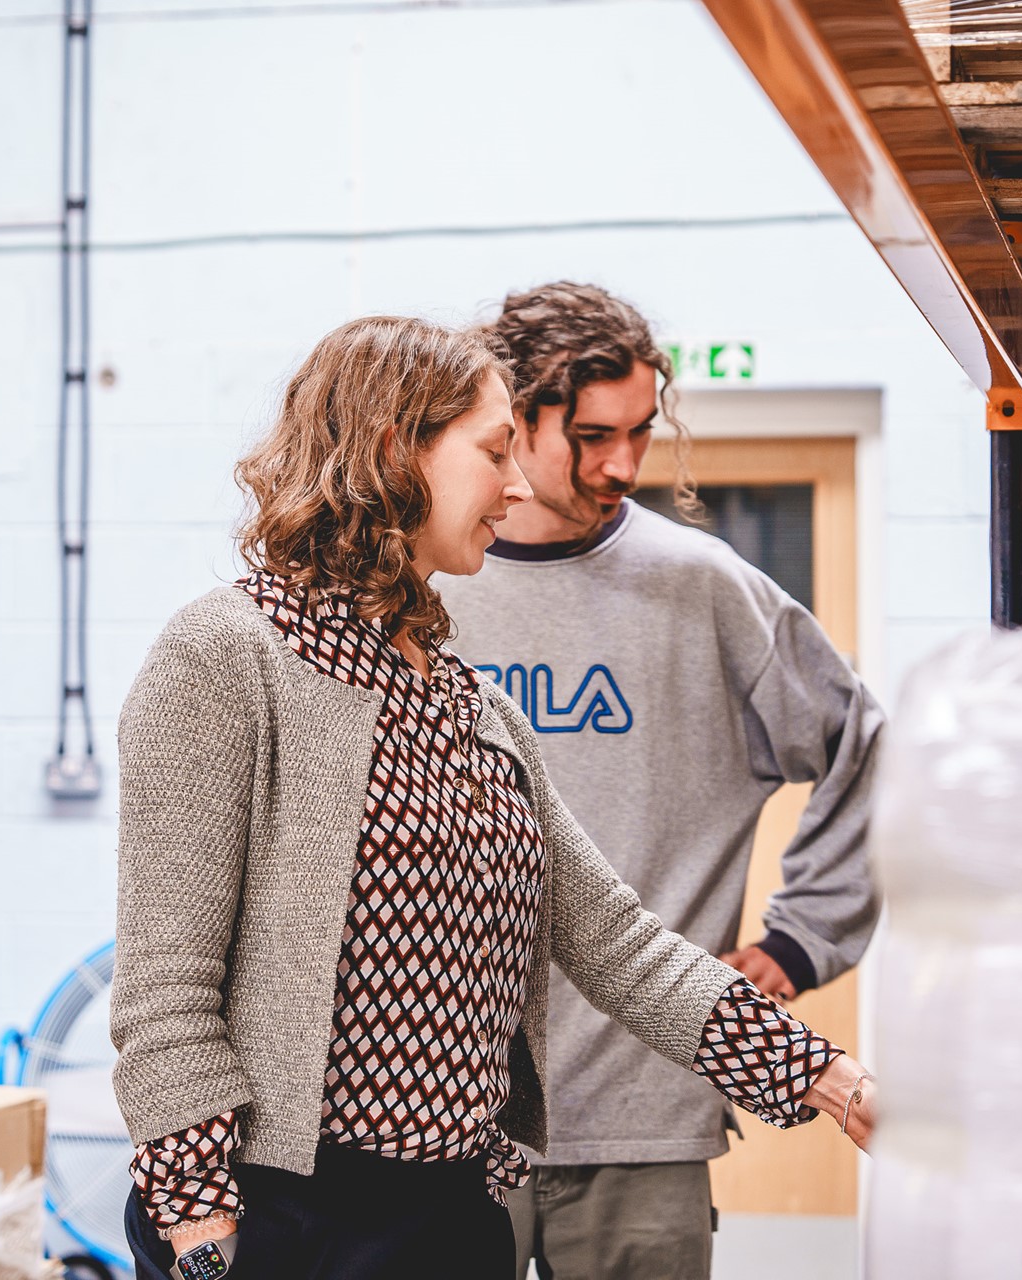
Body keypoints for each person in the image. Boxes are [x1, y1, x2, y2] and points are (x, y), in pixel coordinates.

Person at [110, 315, 878, 1280]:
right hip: (286, 1220)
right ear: (396, 451)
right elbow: (165, 994)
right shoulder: (226, 657)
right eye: (492, 451)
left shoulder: (470, 704)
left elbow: (620, 946)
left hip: (450, 1214)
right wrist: (201, 1238)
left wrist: (831, 1080)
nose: (517, 486)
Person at [437, 283, 885, 1280]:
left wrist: (800, 939)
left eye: (641, 432)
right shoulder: (427, 585)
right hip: (447, 1119)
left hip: (649, 1109)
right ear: (513, 414)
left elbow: (867, 743)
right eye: (592, 435)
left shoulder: (706, 587)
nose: (624, 465)